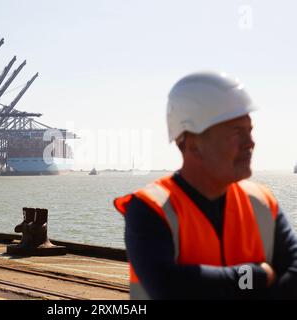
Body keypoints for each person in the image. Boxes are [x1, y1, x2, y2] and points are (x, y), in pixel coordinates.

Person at [114, 71, 297, 299]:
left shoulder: (262, 202)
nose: (250, 143)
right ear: (192, 144)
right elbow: (169, 287)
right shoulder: (151, 208)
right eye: (237, 133)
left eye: (250, 131)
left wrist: (216, 284)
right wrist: (256, 275)